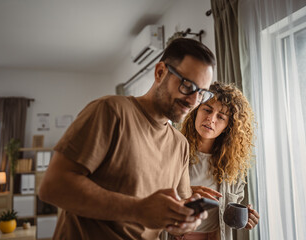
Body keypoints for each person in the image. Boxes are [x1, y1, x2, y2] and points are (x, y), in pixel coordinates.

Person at [38, 38, 217, 239]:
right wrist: (138, 209)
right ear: (160, 72)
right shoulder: (110, 111)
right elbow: (53, 186)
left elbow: (178, 211)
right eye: (187, 85)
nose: (194, 101)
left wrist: (185, 221)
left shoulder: (180, 145)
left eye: (201, 93)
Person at [177, 82, 260, 240]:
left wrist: (247, 218)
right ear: (195, 111)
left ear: (228, 127)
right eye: (207, 109)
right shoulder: (175, 151)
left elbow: (228, 215)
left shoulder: (233, 167)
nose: (210, 119)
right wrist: (185, 193)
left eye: (220, 117)